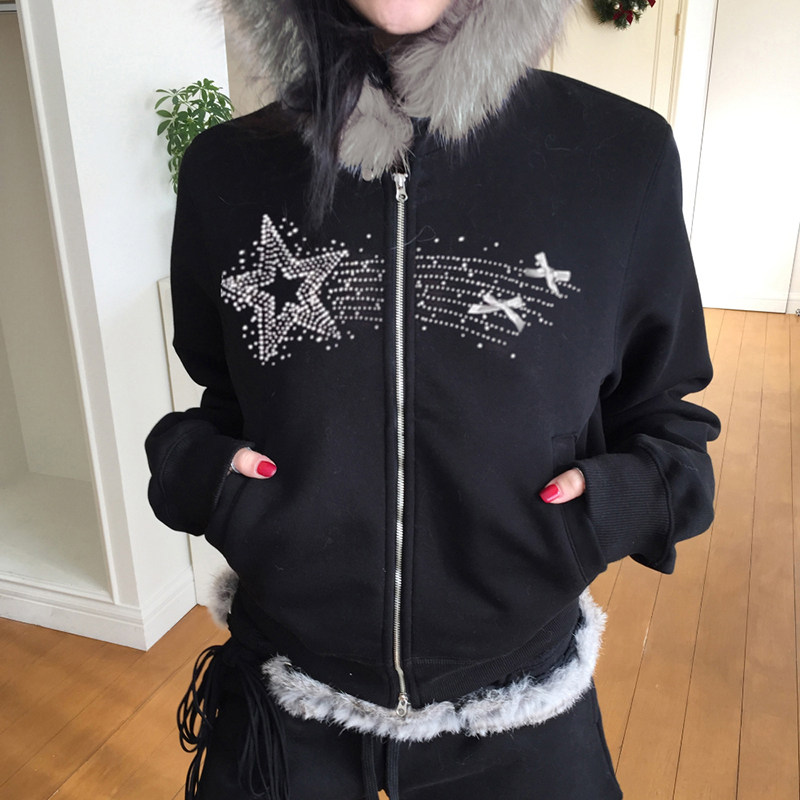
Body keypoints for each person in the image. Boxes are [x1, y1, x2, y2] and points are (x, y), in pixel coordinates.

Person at [145, 0, 720, 797]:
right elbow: (223, 394)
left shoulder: (624, 153)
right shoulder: (226, 166)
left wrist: (602, 511)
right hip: (284, 692)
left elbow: (669, 422)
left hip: (520, 701)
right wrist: (204, 479)